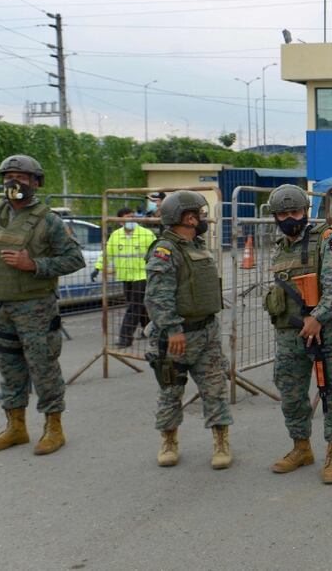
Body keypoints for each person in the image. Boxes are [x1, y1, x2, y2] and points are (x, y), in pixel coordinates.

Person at [0, 154, 84, 455]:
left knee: (43, 368)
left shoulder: (49, 220)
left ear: (36, 182)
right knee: (8, 368)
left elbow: (74, 259)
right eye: (7, 176)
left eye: (21, 176)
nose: (13, 182)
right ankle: (16, 428)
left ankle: (53, 428)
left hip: (35, 309)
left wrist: (34, 264)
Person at [264, 185, 332, 483]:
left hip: (325, 333)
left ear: (305, 211)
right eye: (283, 213)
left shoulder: (326, 240)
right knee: (291, 396)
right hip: (289, 336)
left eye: (295, 212)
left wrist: (317, 318)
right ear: (275, 216)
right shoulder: (280, 247)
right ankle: (301, 448)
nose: (290, 218)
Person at [144, 190, 233, 469]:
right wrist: (172, 329)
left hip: (206, 332)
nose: (203, 218)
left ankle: (221, 442)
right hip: (177, 337)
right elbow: (158, 295)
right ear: (187, 217)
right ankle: (169, 441)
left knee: (215, 389)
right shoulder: (165, 250)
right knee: (171, 391)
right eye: (199, 213)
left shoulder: (196, 245)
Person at [92, 208, 154, 347]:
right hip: (125, 276)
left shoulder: (146, 234)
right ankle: (150, 330)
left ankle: (125, 338)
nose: (131, 220)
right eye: (128, 217)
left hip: (142, 276)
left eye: (133, 217)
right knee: (139, 306)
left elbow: (156, 253)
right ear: (120, 221)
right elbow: (107, 253)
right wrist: (98, 267)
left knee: (134, 307)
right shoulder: (116, 235)